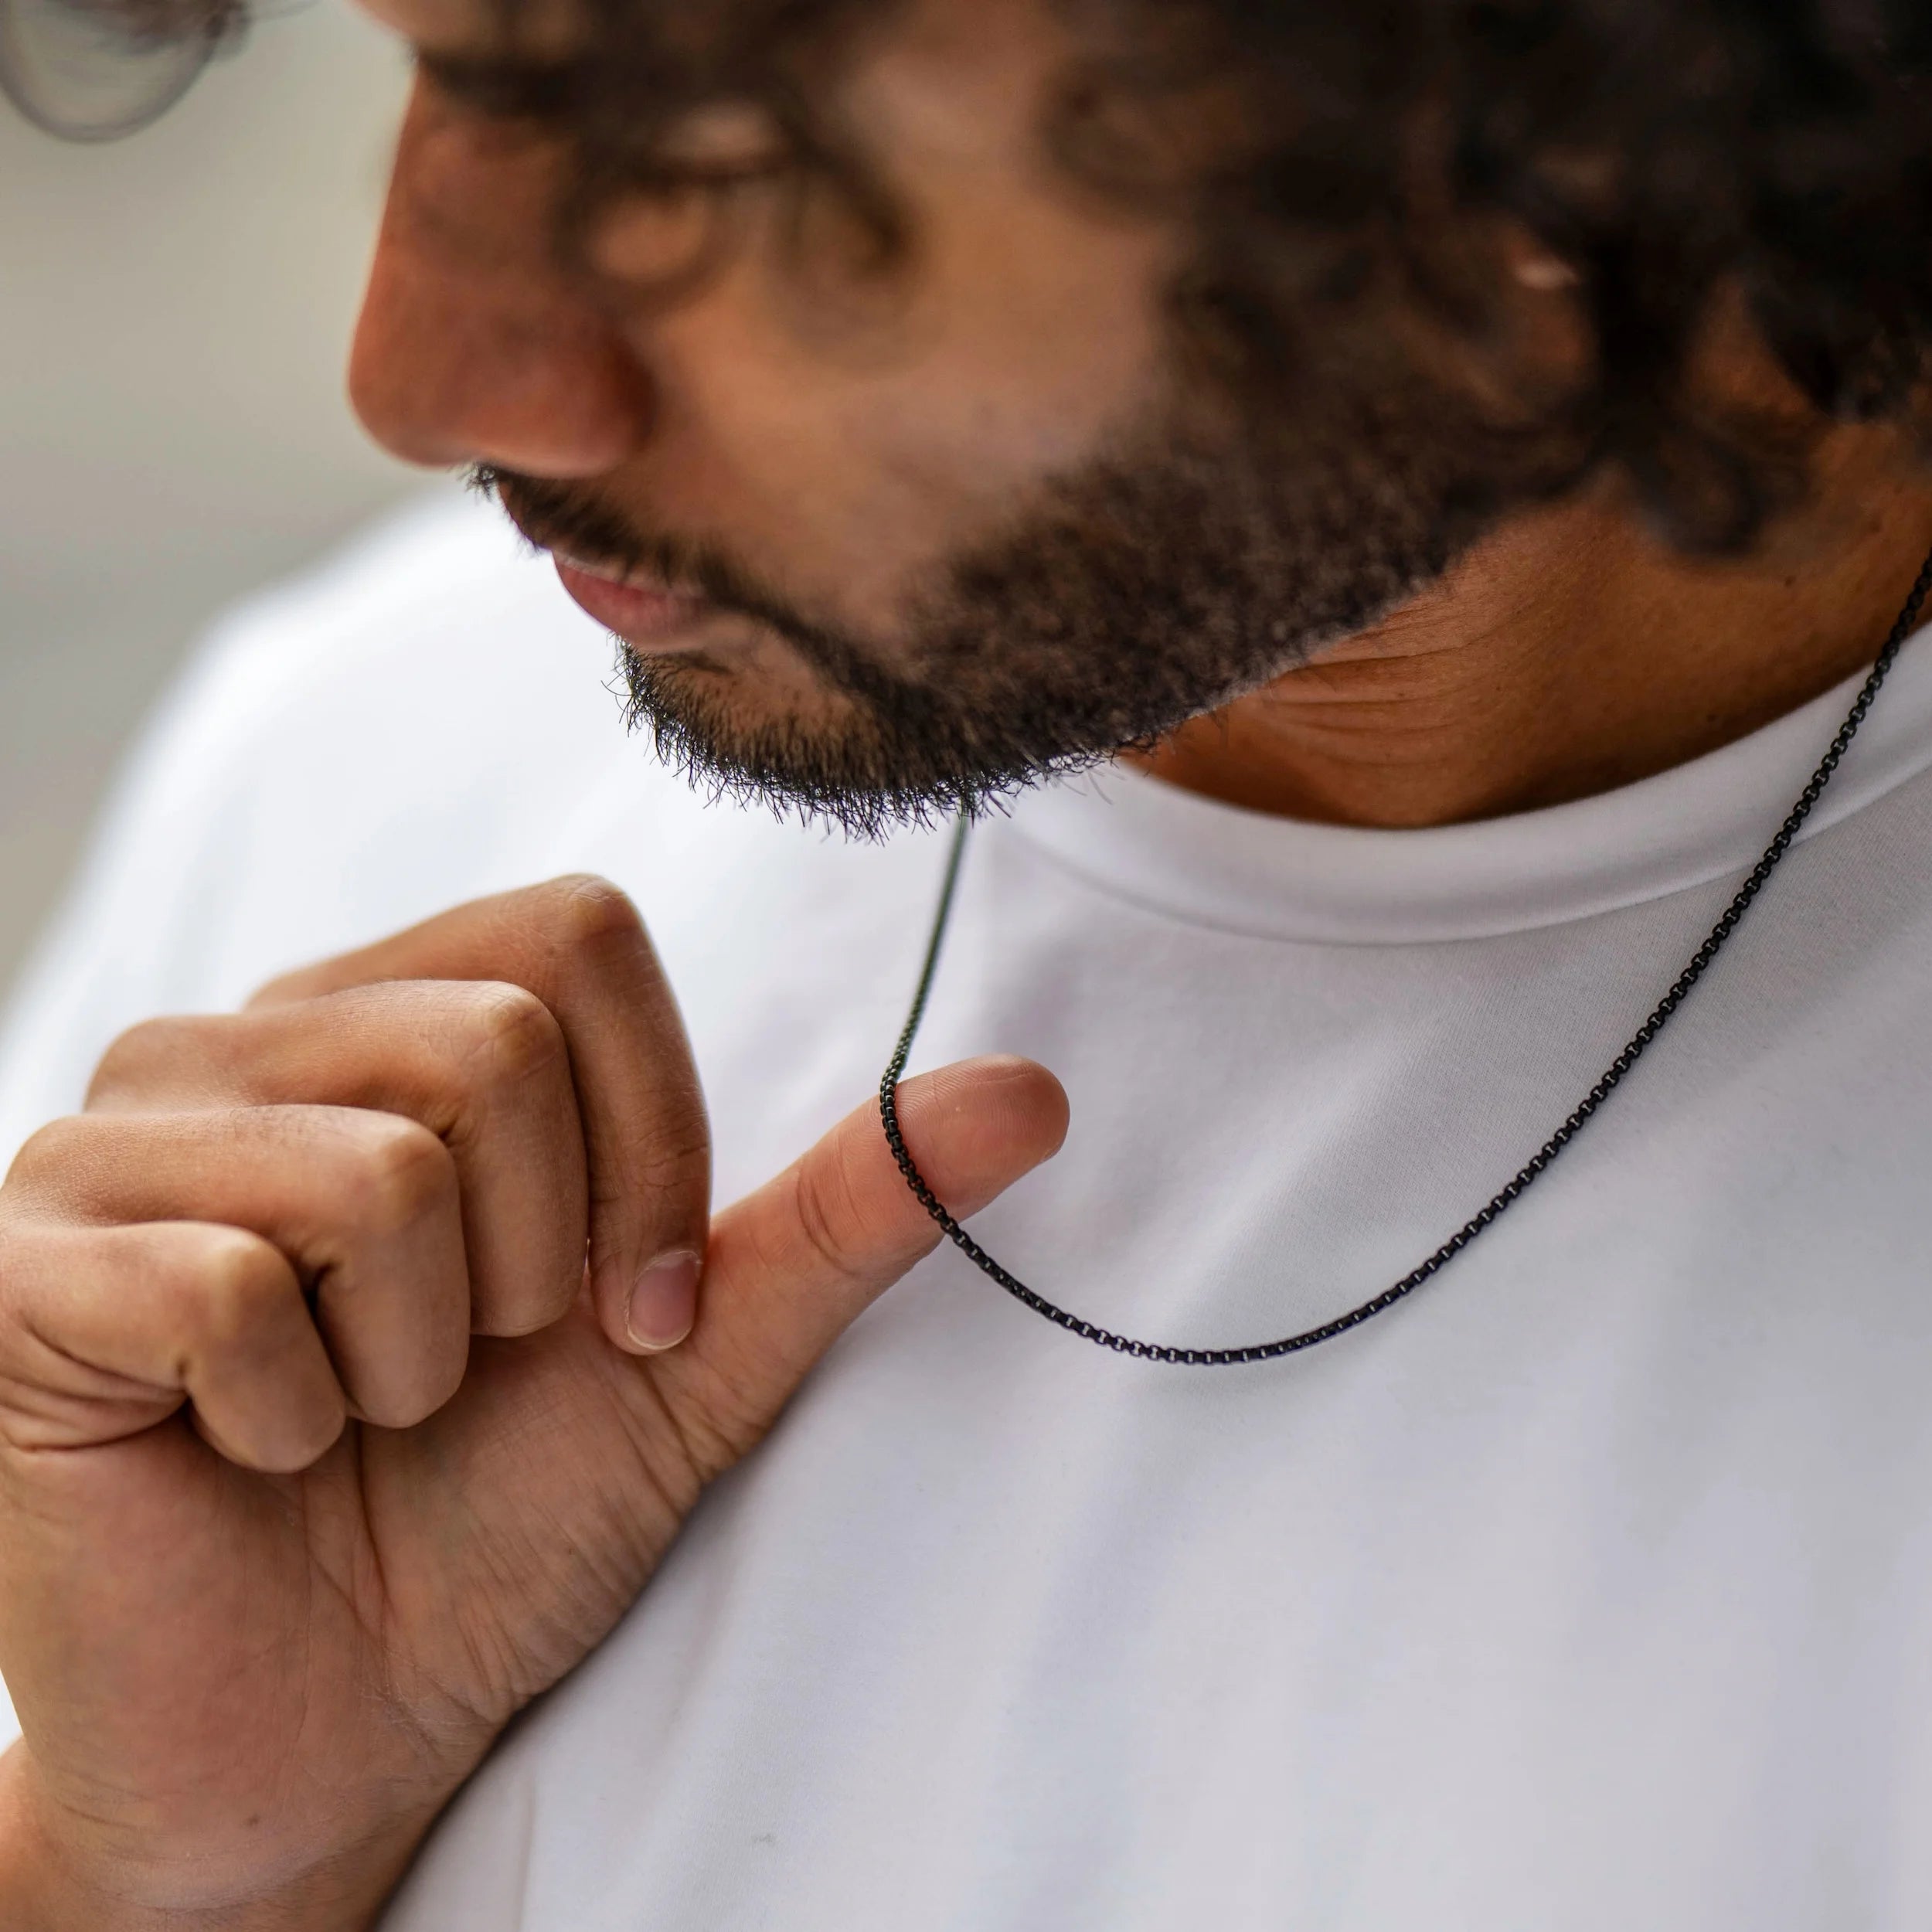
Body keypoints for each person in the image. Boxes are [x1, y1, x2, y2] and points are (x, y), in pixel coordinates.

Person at [2, 0, 1931, 1923]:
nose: (419, 372)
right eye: (419, 64)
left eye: (709, 162)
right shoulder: (366, 784)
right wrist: (155, 1881)